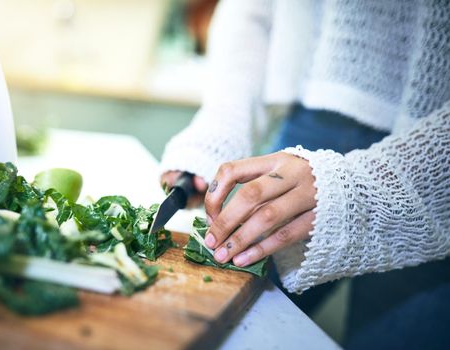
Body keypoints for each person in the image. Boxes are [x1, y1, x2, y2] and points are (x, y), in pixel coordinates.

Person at [160, 1, 450, 348]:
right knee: (230, 324)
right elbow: (254, 11)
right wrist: (224, 121)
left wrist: (371, 186)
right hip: (307, 133)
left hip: (432, 169)